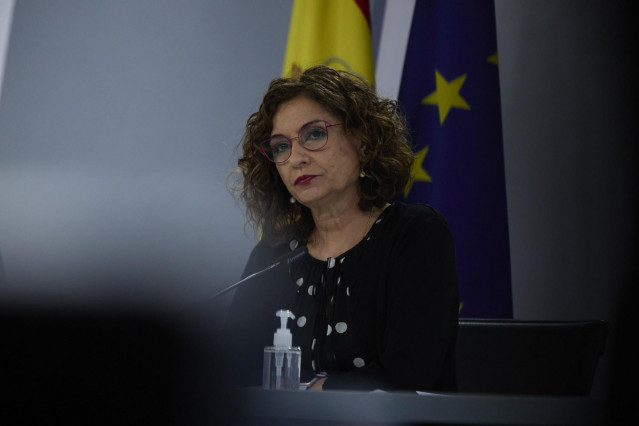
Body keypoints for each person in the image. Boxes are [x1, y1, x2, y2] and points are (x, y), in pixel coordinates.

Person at [230, 65, 458, 392]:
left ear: (363, 141)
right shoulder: (273, 254)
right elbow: (231, 373)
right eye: (281, 147)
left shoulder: (414, 235)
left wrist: (317, 393)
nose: (295, 158)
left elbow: (411, 372)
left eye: (314, 134)